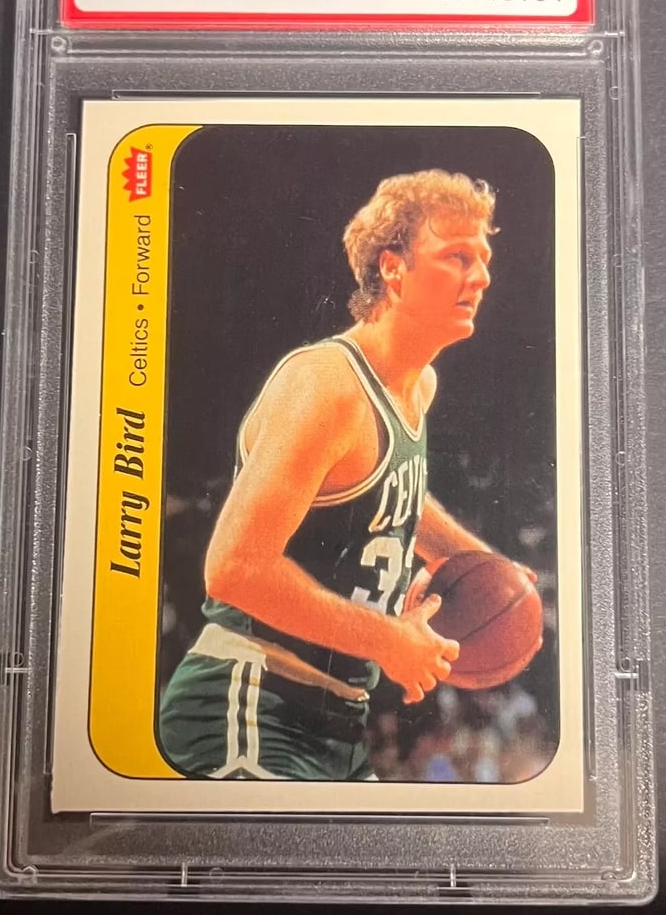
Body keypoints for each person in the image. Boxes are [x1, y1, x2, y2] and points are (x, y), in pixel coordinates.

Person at [159, 168, 533, 781]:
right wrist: (388, 640)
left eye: (484, 260)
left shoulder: (416, 386)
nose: (482, 276)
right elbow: (233, 568)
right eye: (457, 256)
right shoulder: (327, 385)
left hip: (337, 725)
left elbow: (393, 499)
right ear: (393, 268)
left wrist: (483, 562)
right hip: (250, 704)